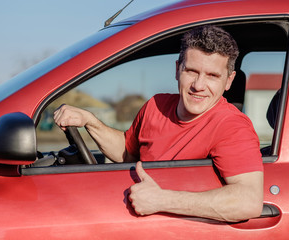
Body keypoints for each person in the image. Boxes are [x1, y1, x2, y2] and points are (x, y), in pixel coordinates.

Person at [54, 25, 264, 222]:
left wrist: (162, 200)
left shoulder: (232, 126)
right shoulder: (156, 105)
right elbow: (127, 154)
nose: (199, 85)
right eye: (191, 71)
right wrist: (90, 122)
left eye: (212, 76)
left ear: (228, 81)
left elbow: (249, 200)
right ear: (177, 69)